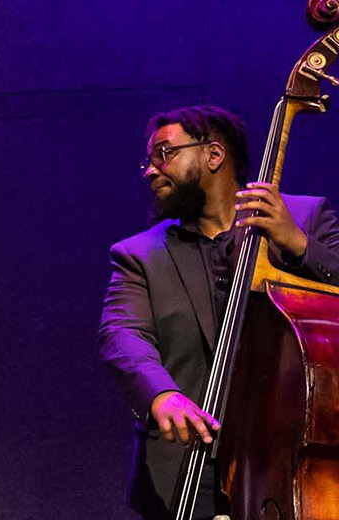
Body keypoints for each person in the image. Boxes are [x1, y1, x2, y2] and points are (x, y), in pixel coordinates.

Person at [98, 105, 339, 519]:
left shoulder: (305, 218)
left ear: (213, 155)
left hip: (290, 462)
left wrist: (298, 245)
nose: (151, 170)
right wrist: (161, 393)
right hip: (188, 475)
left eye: (164, 153)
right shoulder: (138, 255)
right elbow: (122, 335)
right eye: (149, 159)